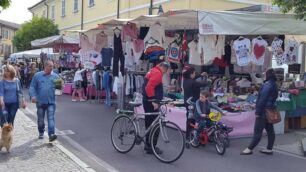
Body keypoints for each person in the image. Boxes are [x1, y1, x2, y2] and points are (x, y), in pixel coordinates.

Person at [241, 68, 278, 155]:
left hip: (263, 111)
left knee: (258, 130)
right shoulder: (274, 84)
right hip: (270, 110)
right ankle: (269, 149)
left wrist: (258, 112)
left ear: (268, 75)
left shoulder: (267, 85)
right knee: (270, 130)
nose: (264, 75)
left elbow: (262, 99)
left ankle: (249, 148)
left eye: (265, 73)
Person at [142, 61, 170, 154]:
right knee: (155, 125)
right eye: (166, 69)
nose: (166, 72)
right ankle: (152, 147)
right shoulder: (158, 73)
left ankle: (147, 145)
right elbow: (149, 87)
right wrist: (154, 100)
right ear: (163, 67)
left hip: (147, 100)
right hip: (150, 101)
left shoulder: (153, 70)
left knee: (149, 123)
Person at [29, 60, 59, 142]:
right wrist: (33, 95)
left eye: (52, 66)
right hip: (40, 102)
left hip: (51, 102)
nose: (51, 68)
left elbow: (58, 88)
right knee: (41, 119)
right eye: (50, 66)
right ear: (45, 67)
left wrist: (60, 89)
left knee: (51, 118)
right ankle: (41, 131)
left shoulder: (56, 76)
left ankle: (51, 134)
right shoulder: (37, 76)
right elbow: (32, 86)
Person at [183, 66, 210, 147]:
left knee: (191, 120)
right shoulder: (192, 82)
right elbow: (202, 84)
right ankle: (191, 138)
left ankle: (190, 137)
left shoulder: (186, 81)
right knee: (194, 120)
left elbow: (195, 77)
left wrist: (201, 75)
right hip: (193, 104)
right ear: (191, 74)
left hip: (188, 103)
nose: (195, 74)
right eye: (194, 73)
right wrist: (209, 81)